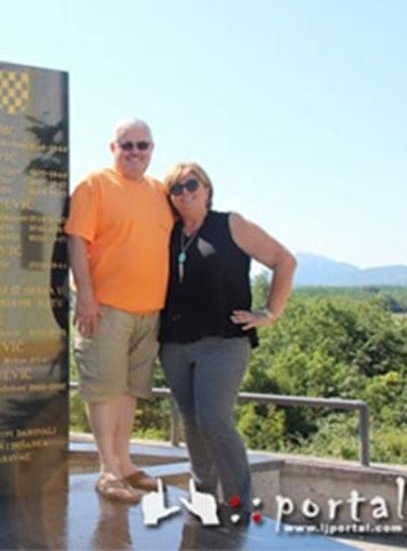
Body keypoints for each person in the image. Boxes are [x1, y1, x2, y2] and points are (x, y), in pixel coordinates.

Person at [159, 162, 296, 517]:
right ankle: (203, 498)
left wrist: (270, 313)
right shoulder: (168, 232)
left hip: (224, 341)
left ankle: (238, 503)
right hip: (174, 344)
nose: (185, 193)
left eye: (192, 185)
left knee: (214, 418)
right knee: (192, 423)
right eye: (176, 188)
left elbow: (284, 260)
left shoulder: (230, 224)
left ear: (207, 188)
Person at [65, 118, 174, 502]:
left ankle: (125, 463)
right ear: (112, 148)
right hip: (105, 309)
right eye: (126, 145)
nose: (134, 152)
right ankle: (107, 470)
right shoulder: (94, 185)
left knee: (129, 391)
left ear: (152, 150)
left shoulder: (159, 192)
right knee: (104, 391)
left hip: (150, 311)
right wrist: (86, 296)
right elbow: (76, 242)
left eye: (142, 145)